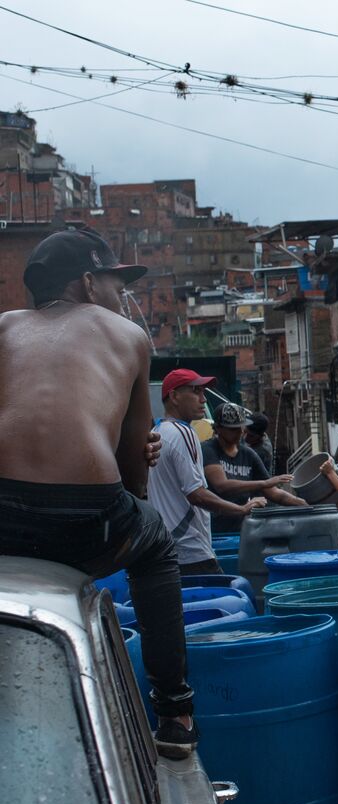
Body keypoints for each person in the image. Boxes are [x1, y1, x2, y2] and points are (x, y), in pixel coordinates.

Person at [0, 227, 197, 758]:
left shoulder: (3, 328)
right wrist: (133, 458)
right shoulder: (127, 335)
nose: (121, 295)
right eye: (116, 282)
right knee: (156, 549)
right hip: (88, 519)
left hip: (4, 518)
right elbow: (134, 480)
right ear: (88, 283)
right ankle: (175, 713)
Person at [151, 370, 266, 575]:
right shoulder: (184, 433)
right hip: (190, 549)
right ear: (174, 396)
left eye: (204, 392)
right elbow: (197, 494)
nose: (203, 399)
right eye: (196, 391)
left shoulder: (157, 432)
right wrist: (241, 509)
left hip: (167, 547)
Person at [203, 403, 305, 534]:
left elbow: (272, 492)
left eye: (241, 427)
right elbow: (221, 485)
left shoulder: (248, 454)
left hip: (240, 530)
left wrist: (302, 504)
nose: (240, 432)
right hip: (212, 531)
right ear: (218, 428)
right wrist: (265, 483)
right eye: (233, 429)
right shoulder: (208, 450)